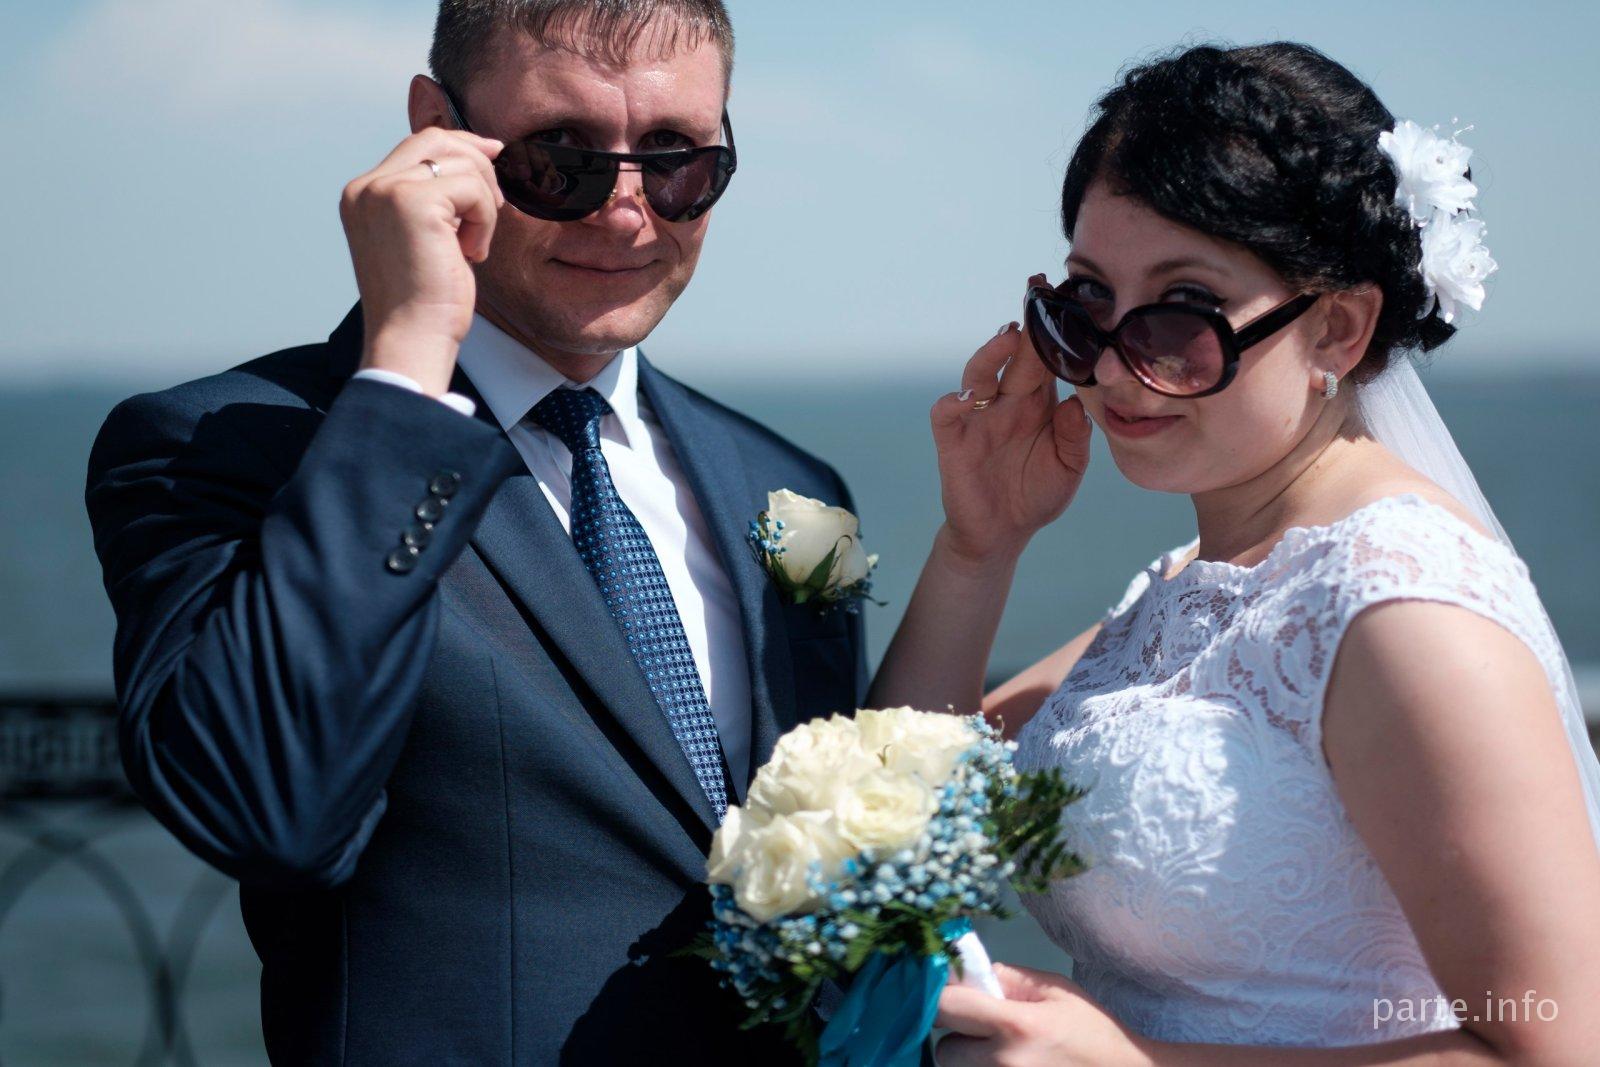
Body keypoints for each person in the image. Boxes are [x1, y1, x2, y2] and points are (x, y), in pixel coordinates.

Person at [83, 1, 864, 1062]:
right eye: (561, 158)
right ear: (434, 131)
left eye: (675, 159)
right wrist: (409, 354)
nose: (627, 214)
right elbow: (265, 811)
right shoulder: (222, 447)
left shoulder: (790, 484)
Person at [869, 42, 1600, 1064]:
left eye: (1181, 316)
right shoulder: (1195, 585)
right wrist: (977, 548)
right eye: (1084, 305)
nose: (1115, 367)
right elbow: (884, 809)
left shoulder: (1407, 611)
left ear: (1337, 329)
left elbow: (1557, 1046)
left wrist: (1134, 1061)